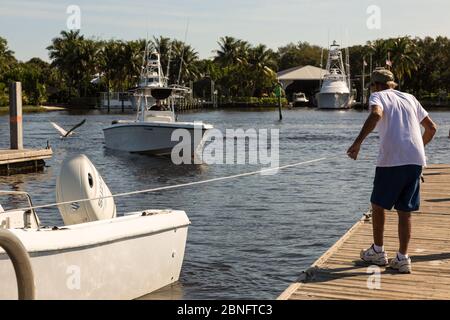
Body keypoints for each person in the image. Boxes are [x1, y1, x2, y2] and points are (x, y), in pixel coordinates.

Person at [347, 68, 437, 273]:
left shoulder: (378, 96)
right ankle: (403, 258)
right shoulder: (410, 98)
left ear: (376, 85)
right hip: (416, 161)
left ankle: (378, 252)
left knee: (378, 205)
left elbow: (376, 114)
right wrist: (417, 150)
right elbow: (431, 128)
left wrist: (357, 143)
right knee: (405, 212)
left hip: (391, 161)